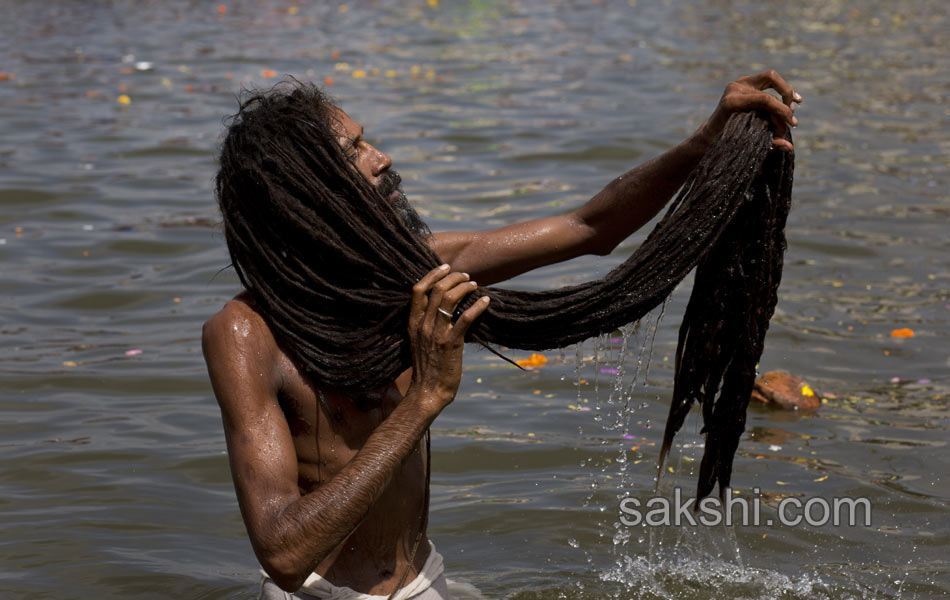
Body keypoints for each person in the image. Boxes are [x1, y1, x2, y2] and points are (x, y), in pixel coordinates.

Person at [202, 70, 802, 599]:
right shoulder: (245, 334)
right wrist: (424, 399)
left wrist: (707, 141)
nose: (382, 157)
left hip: (423, 583)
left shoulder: (411, 271)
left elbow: (590, 225)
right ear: (310, 189)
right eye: (355, 148)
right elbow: (282, 556)